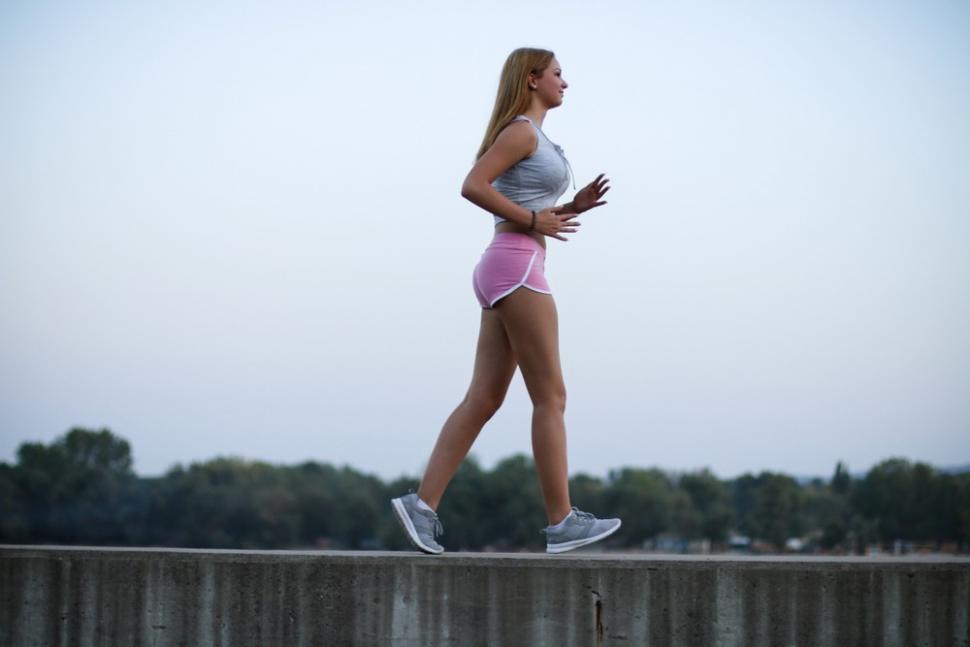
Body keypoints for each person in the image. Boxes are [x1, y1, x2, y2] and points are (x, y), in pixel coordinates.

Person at [391, 47, 621, 555]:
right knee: (551, 397)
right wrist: (536, 221)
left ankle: (421, 506)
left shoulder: (531, 135)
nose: (567, 82)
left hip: (507, 263)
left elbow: (521, 203)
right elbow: (472, 185)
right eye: (559, 73)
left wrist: (564, 209)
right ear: (533, 78)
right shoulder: (520, 131)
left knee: (484, 398)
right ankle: (562, 521)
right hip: (517, 265)